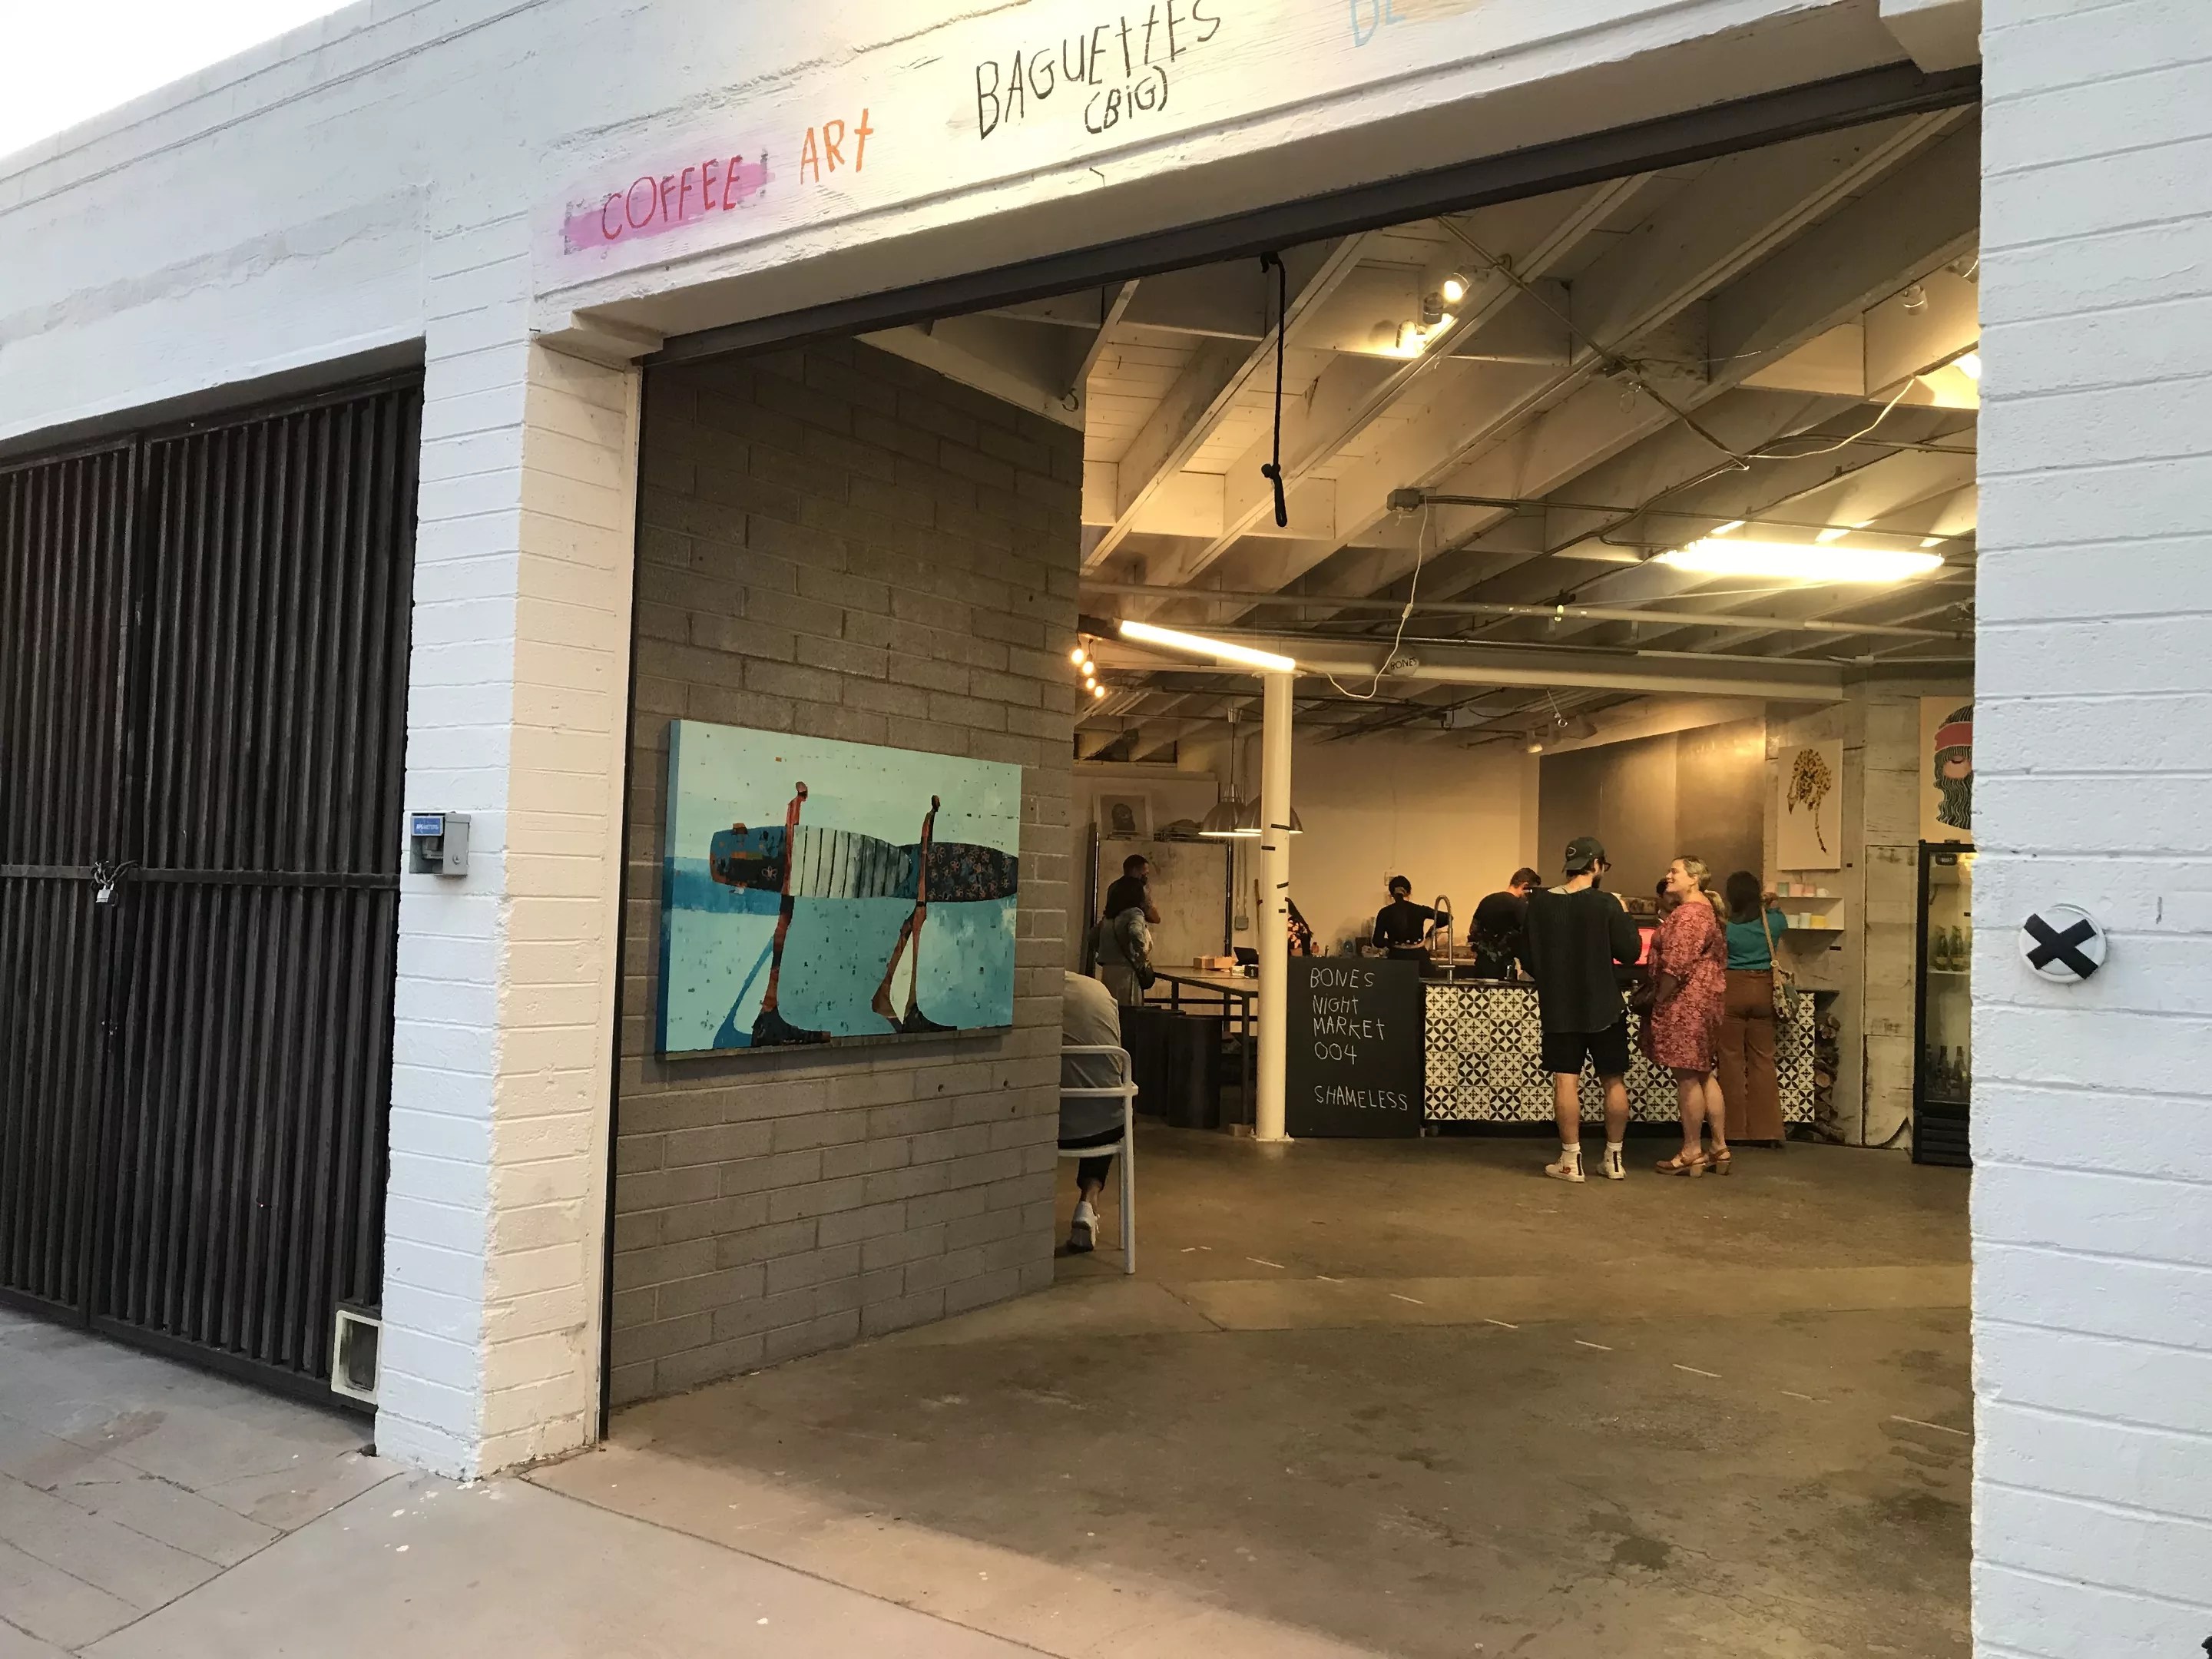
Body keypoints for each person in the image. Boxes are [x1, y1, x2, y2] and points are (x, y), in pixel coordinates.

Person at [1521, 837, 1643, 1183]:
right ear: (1597, 865)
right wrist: (1623, 912)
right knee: (1613, 1080)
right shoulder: (1607, 903)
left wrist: (1552, 980)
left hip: (1560, 1007)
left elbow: (1527, 956)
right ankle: (1614, 1160)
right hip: (1605, 1007)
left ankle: (1570, 1161)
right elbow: (1631, 953)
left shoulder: (1540, 904)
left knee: (1566, 1080)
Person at [1645, 856, 1731, 1176]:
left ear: (1694, 879)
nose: (1668, 876)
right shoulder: (1705, 912)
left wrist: (1660, 999)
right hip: (1705, 1003)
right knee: (1705, 1073)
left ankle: (1692, 1150)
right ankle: (1719, 1147)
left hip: (1686, 1005)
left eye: (1675, 871)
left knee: (1687, 1077)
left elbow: (1676, 965)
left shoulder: (1689, 915)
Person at [1717, 870, 1790, 1143]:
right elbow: (1780, 915)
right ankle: (1767, 1131)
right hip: (1763, 991)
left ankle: (1732, 1130)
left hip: (1732, 990)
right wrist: (1770, 902)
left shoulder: (1727, 928)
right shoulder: (1773, 922)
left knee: (1730, 1060)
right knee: (1763, 1060)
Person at [1060, 969, 1128, 1252]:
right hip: (1104, 1128)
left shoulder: (1027, 997)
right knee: (1107, 1106)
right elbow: (1117, 1062)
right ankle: (1089, 1201)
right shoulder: (1099, 991)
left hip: (1046, 1127)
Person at [1471, 867, 1539, 979]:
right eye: (1532, 892)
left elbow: (1473, 929)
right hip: (1503, 967)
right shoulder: (1519, 906)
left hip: (1481, 964)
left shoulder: (1487, 900)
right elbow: (1528, 936)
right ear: (1525, 886)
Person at [1372, 876, 1439, 959]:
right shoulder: (1420, 910)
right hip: (1419, 957)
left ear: (1392, 894)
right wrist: (1431, 933)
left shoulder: (1385, 912)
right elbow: (1447, 917)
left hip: (1396, 957)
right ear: (1409, 893)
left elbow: (1377, 941)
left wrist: (1391, 943)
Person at [1101, 853, 1160, 926]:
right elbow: (1154, 917)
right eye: (1144, 874)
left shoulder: (1113, 886)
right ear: (1134, 870)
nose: (1146, 877)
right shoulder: (1140, 888)